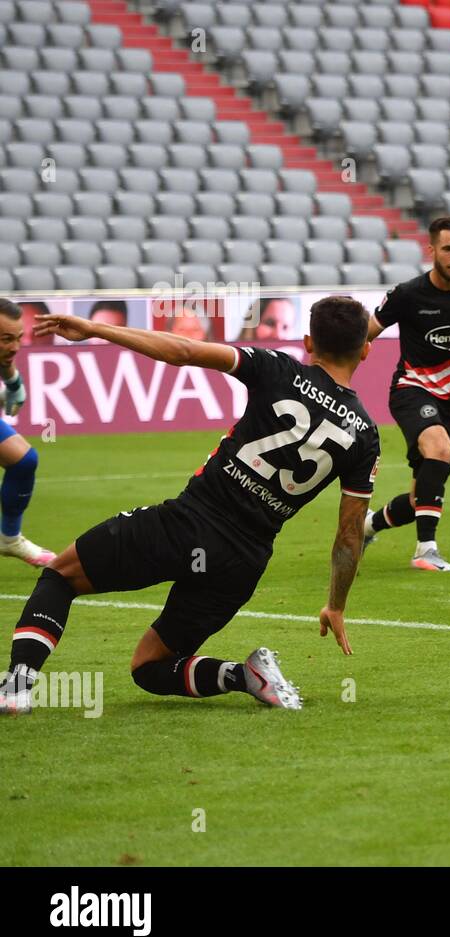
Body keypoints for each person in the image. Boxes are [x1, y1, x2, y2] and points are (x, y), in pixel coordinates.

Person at [0, 296, 382, 715]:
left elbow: (181, 350)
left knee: (61, 575)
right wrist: (336, 604)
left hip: (185, 526)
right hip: (243, 562)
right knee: (149, 667)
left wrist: (95, 330)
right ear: (366, 348)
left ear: (308, 342)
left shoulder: (275, 367)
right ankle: (244, 675)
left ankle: (17, 688)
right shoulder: (365, 434)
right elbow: (349, 536)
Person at [362, 216, 450, 572]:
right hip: (412, 389)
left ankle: (366, 526)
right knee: (439, 448)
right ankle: (426, 550)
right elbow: (367, 333)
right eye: (449, 248)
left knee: (420, 495)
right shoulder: (408, 294)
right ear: (433, 250)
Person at [0, 299, 55, 568]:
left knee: (23, 460)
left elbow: (6, 362)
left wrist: (13, 385)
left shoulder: (5, 352)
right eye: (6, 339)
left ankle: (9, 538)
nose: (14, 347)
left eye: (18, 338)